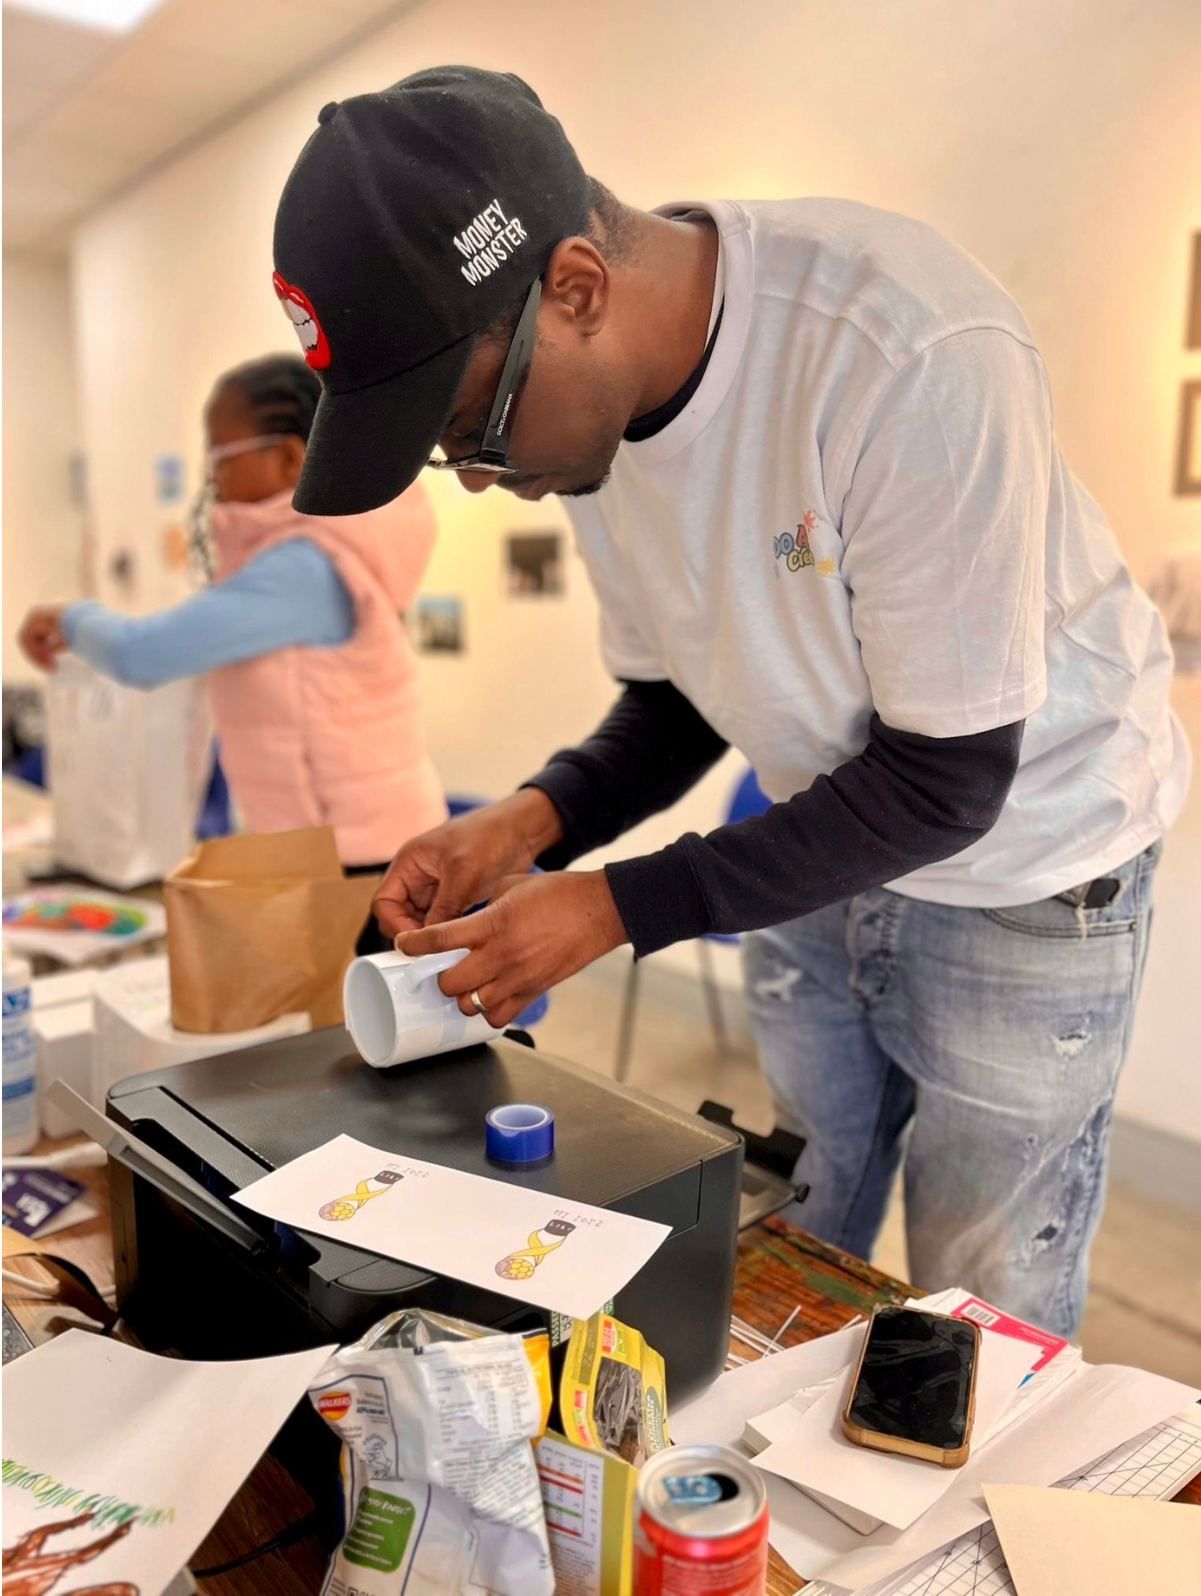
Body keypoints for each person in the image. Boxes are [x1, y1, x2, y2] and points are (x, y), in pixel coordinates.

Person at [267, 67, 1188, 1335]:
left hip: (1032, 860)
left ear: (576, 288)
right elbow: (680, 699)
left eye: (472, 427)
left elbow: (946, 779)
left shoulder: (900, 350)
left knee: (981, 1304)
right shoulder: (591, 437)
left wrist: (611, 907)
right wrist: (531, 825)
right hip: (823, 837)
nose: (478, 482)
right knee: (802, 1222)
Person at [19, 355, 445, 952]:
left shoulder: (304, 566)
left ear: (290, 457)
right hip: (341, 842)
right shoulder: (303, 556)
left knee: (350, 1024)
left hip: (359, 858)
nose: (210, 473)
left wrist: (67, 616)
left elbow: (144, 654)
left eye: (221, 453)